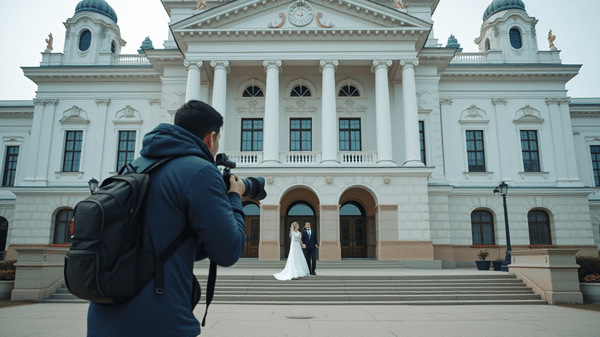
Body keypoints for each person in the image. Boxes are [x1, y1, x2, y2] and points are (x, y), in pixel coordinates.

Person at [87, 100, 246, 337]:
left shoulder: (133, 168)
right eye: (218, 140)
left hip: (102, 316)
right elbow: (228, 251)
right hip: (160, 321)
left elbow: (166, 239)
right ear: (210, 139)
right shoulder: (200, 170)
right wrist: (235, 199)